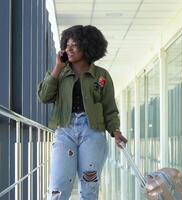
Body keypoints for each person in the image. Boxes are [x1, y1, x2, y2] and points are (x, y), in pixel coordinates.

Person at [37, 25, 127, 200]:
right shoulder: (59, 73)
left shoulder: (102, 76)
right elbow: (43, 96)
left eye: (75, 45)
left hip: (92, 132)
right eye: (67, 45)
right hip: (65, 131)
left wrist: (115, 131)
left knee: (89, 186)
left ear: (87, 46)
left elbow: (109, 109)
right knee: (58, 186)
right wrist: (57, 68)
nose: (69, 49)